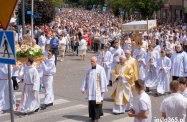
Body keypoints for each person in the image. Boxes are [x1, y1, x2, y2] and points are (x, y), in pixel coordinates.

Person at [80, 56, 108, 121]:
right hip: (90, 89)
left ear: (96, 61)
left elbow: (103, 79)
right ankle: (92, 116)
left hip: (98, 88)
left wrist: (103, 89)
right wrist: (83, 87)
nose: (91, 62)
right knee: (91, 103)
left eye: (93, 61)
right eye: (91, 61)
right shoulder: (88, 69)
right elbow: (85, 79)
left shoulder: (101, 69)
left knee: (97, 103)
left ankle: (97, 117)